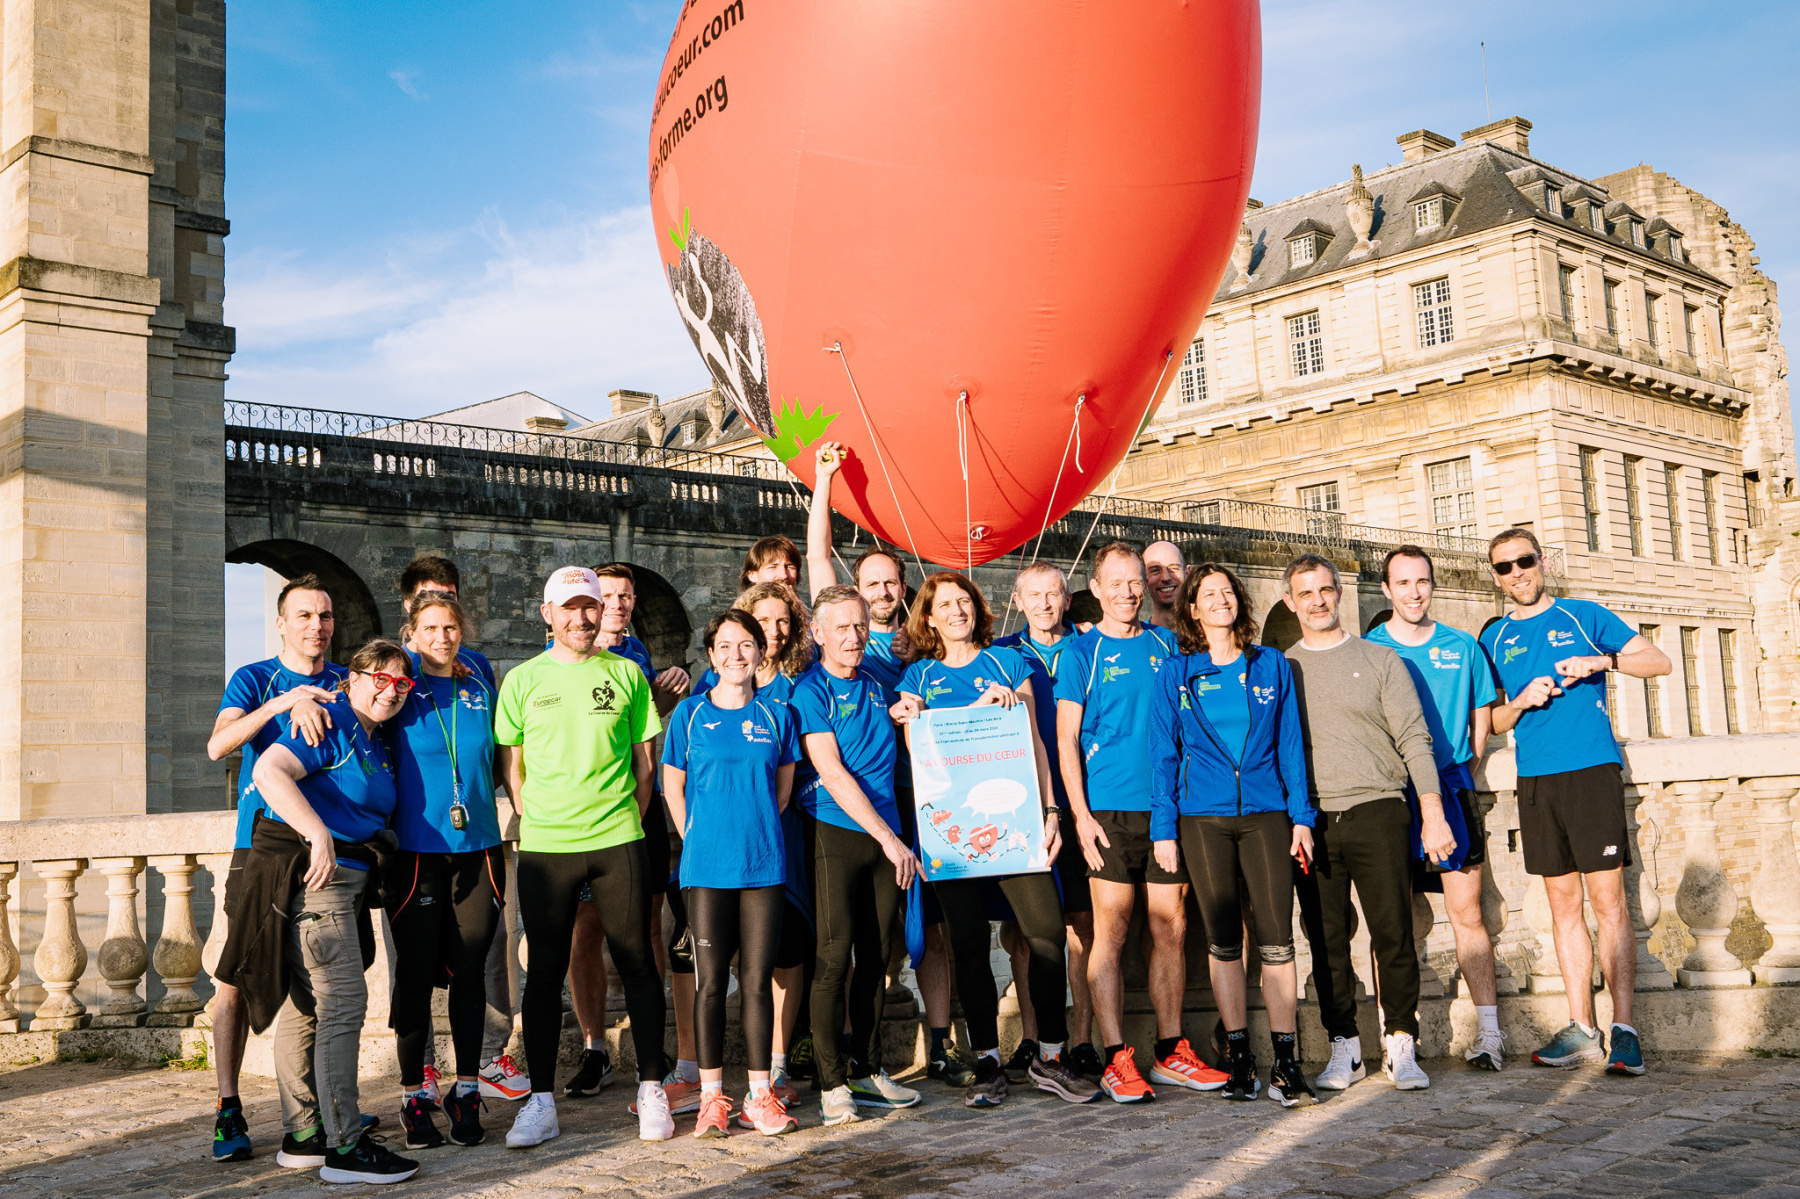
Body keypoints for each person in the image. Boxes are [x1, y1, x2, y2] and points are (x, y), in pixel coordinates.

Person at [894, 571, 1100, 1108]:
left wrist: (1051, 811)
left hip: (1015, 823)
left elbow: (1035, 744)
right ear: (929, 617)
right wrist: (925, 717)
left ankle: (1050, 1055)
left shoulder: (1008, 663)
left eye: (964, 601)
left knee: (1046, 934)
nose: (957, 611)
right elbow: (921, 755)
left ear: (978, 609)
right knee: (967, 944)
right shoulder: (917, 677)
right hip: (952, 831)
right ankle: (987, 1059)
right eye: (944, 604)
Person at [224, 639, 420, 1185]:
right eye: (379, 678)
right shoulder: (332, 722)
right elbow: (270, 770)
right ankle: (345, 1146)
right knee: (342, 1006)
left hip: (347, 883)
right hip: (321, 884)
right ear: (350, 680)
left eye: (401, 683)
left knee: (306, 1007)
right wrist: (316, 833)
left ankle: (305, 1133)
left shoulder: (373, 735)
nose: (391, 690)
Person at [1479, 528, 1670, 1076]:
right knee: (1563, 908)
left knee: (1609, 903)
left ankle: (1625, 1030)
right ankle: (1583, 1029)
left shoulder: (1583, 616)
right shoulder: (1493, 638)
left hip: (1591, 772)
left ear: (1541, 562)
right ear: (1496, 577)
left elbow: (1658, 661)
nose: (1517, 573)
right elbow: (1492, 719)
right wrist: (1520, 701)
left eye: (1524, 561)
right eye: (1504, 567)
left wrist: (1601, 663)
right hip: (1536, 781)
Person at [494, 566, 670, 1148]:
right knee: (545, 974)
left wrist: (622, 820)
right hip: (548, 848)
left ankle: (651, 1089)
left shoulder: (626, 673)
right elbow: (513, 767)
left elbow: (645, 763)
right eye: (568, 608)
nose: (581, 617)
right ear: (548, 614)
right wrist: (542, 818)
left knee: (638, 963)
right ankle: (540, 1102)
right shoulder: (522, 680)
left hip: (617, 839)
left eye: (589, 606)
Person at [805, 444, 960, 1086]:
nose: (882, 593)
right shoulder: (846, 655)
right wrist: (824, 480)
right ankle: (837, 1067)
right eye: (870, 584)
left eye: (891, 583)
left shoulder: (917, 645)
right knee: (845, 946)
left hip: (919, 796)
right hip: (858, 809)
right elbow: (818, 560)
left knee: (919, 932)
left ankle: (931, 1046)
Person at [1150, 564, 1317, 1106]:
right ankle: (1240, 1056)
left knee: (1276, 938)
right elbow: (1164, 754)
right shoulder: (1176, 673)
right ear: (1193, 609)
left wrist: (1302, 817)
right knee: (1223, 941)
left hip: (1267, 814)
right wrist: (1163, 828)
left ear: (1239, 602)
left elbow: (1290, 745)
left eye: (1228, 592)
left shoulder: (1271, 664)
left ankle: (1286, 1062)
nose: (1221, 600)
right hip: (1203, 820)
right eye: (1209, 594)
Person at [1057, 543, 1217, 1103]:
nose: (1128, 592)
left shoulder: (1166, 644)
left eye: (1134, 582)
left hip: (1166, 808)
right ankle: (1115, 1058)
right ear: (1096, 590)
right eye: (1116, 583)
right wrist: (1079, 816)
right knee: (1113, 931)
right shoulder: (1081, 652)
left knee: (1171, 927)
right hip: (1107, 811)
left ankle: (1171, 1051)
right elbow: (1066, 739)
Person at [1282, 554, 1440, 1094]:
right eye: (1306, 593)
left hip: (1379, 810)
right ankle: (1344, 1047)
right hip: (1313, 821)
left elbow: (1414, 737)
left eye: (1325, 590)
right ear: (1290, 602)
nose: (1318, 601)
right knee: (1325, 939)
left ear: (1340, 593)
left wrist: (1432, 811)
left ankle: (1401, 1042)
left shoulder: (1380, 660)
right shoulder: (1281, 668)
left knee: (1393, 932)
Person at [205, 574, 345, 1162]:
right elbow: (218, 746)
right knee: (235, 977)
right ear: (282, 623)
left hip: (328, 850)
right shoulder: (255, 677)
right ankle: (228, 1107)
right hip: (259, 847)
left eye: (326, 616)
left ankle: (315, 1112)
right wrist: (284, 703)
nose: (317, 626)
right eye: (305, 616)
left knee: (322, 981)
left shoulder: (345, 681)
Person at [1365, 547, 1507, 1071]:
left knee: (1467, 913)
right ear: (1386, 589)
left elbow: (1481, 716)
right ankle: (1396, 1037)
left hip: (1450, 786)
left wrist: (1464, 770)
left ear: (1432, 585)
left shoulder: (1461, 645)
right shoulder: (1370, 650)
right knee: (1392, 921)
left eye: (1422, 581)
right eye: (1403, 583)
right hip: (1390, 790)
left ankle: (1490, 1034)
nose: (1414, 592)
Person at [664, 610, 804, 1137]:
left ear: (760, 652)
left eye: (746, 645)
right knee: (709, 986)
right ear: (711, 654)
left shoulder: (777, 715)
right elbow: (672, 785)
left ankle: (759, 1096)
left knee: (757, 984)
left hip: (762, 865)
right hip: (705, 869)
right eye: (724, 646)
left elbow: (782, 791)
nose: (735, 655)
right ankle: (710, 1098)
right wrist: (696, 835)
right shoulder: (689, 714)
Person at [790, 584, 922, 1125]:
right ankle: (831, 1083)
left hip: (885, 834)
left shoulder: (873, 682)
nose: (853, 636)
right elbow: (832, 772)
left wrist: (908, 709)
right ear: (818, 632)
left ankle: (868, 1071)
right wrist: (889, 839)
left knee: (877, 956)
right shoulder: (809, 691)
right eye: (841, 627)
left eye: (860, 625)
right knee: (832, 958)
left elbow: (903, 718)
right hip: (837, 833)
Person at [395, 555, 522, 1106]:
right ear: (411, 630)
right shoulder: (397, 681)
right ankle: (417, 1085)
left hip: (479, 845)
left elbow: (502, 754)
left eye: (450, 626)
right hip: (416, 849)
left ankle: (469, 1085)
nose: (441, 637)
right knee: (416, 972)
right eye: (430, 628)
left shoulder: (479, 680)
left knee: (473, 969)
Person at [567, 563, 691, 1105]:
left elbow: (644, 728)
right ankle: (594, 1047)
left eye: (624, 596)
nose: (616, 604)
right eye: (607, 596)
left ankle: (650, 1044)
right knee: (585, 931)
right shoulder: (570, 653)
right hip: (585, 815)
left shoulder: (637, 654)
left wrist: (667, 695)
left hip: (639, 812)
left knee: (649, 927)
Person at [993, 562, 1100, 1080]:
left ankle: (1082, 1039)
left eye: (1052, 594)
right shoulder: (1001, 654)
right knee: (1022, 929)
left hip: (1083, 797)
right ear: (1017, 600)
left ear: (1067, 598)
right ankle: (1031, 1037)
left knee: (1082, 922)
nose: (1043, 604)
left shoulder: (1089, 645)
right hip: (1024, 804)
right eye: (1033, 595)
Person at [1142, 540, 1187, 631]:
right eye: (1155, 570)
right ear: (1143, 579)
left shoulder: (1209, 634)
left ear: (1187, 573)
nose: (1166, 578)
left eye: (1173, 568)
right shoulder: (1139, 637)